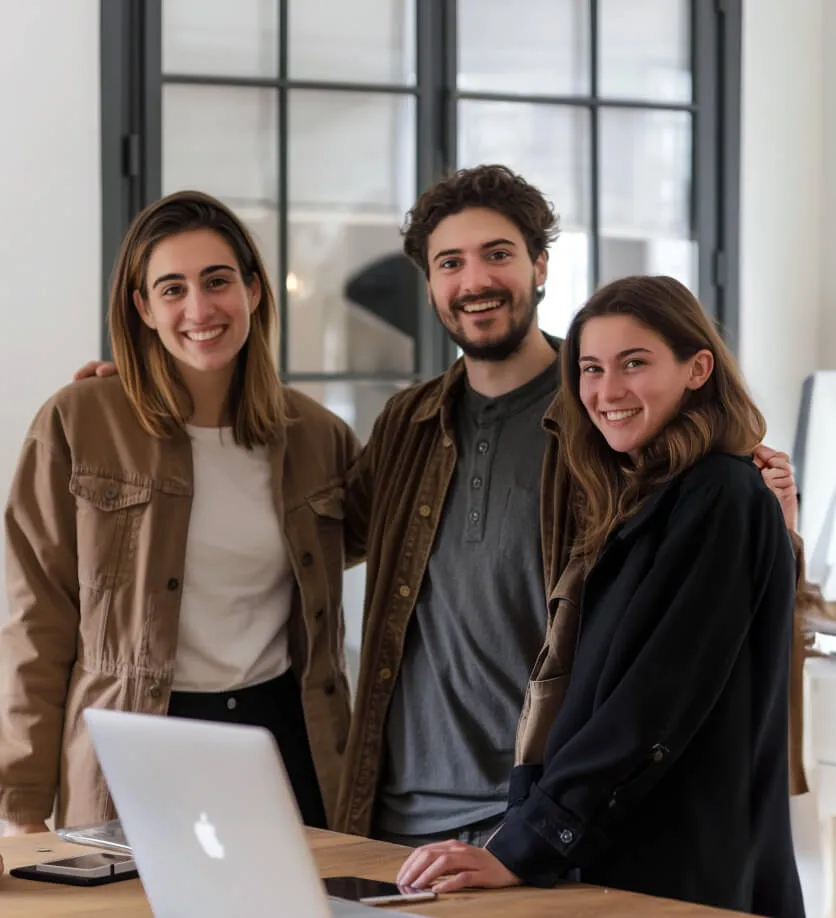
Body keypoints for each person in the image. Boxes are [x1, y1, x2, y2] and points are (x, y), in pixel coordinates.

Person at [71, 166, 802, 849]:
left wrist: (764, 500)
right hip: (391, 813)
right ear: (429, 284)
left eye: (497, 255)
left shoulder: (601, 416)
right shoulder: (406, 423)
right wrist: (139, 390)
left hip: (534, 816)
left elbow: (695, 604)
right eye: (449, 263)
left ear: (540, 266)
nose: (474, 280)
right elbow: (305, 536)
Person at [396, 275, 805, 918]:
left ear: (698, 368)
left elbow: (651, 703)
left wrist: (527, 843)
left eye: (634, 363)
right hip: (622, 865)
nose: (607, 392)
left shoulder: (722, 496)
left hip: (682, 879)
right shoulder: (643, 500)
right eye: (591, 368)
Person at [0, 191, 359, 836]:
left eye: (217, 281)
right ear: (143, 307)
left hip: (283, 741)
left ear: (253, 289)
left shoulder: (318, 436)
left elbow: (362, 550)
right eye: (172, 289)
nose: (200, 309)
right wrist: (19, 807)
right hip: (133, 748)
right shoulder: (78, 422)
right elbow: (37, 624)